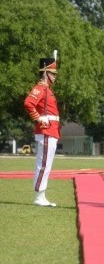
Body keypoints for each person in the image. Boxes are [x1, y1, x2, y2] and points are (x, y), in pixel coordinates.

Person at [24, 54, 60, 207]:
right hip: (45, 130)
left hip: (51, 131)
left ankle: (42, 195)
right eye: (52, 73)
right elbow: (28, 103)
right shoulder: (40, 88)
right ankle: (39, 196)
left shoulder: (47, 89)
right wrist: (38, 118)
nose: (55, 76)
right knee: (43, 164)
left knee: (47, 164)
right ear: (45, 73)